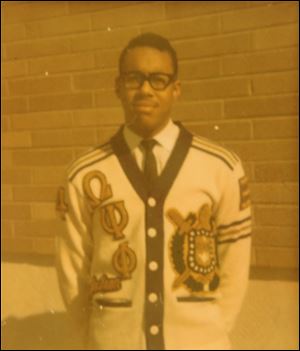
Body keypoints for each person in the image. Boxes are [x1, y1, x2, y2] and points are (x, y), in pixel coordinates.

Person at [56, 32, 252, 350]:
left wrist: (209, 331)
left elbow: (235, 264)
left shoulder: (220, 167)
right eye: (134, 79)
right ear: (117, 87)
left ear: (176, 89)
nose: (146, 89)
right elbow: (73, 270)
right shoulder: (85, 174)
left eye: (158, 79)